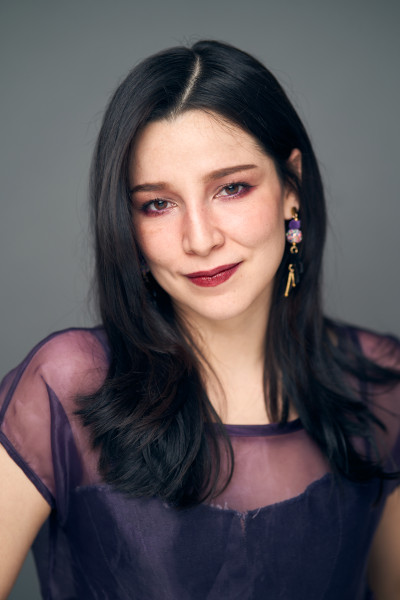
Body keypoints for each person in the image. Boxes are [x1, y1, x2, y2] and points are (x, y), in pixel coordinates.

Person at [1, 40, 400, 600]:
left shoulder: (381, 386)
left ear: (291, 189)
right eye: (157, 204)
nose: (201, 238)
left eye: (231, 188)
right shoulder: (68, 385)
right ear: (128, 224)